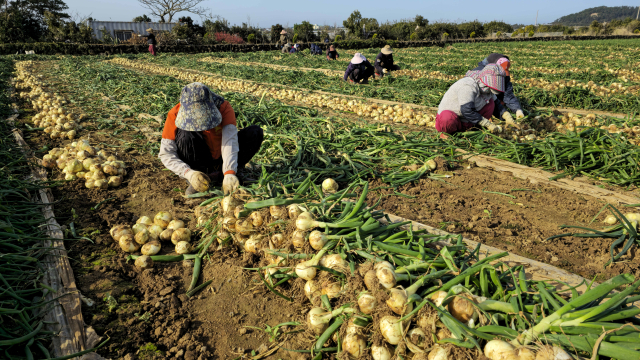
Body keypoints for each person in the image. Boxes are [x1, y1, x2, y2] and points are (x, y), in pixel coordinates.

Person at [158, 83, 264, 195]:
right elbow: (166, 153)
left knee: (254, 132)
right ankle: (200, 177)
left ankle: (230, 173)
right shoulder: (175, 114)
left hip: (221, 157)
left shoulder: (224, 108)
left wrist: (230, 172)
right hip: (200, 159)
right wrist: (189, 173)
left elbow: (230, 141)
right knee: (185, 134)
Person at [435, 64, 506, 137]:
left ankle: (475, 130)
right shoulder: (468, 86)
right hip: (454, 120)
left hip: (468, 121)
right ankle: (447, 134)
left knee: (490, 104)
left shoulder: (486, 89)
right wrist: (486, 123)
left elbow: (496, 104)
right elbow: (467, 110)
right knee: (447, 118)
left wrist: (506, 116)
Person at [472, 53, 524, 128]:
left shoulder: (504, 75)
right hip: (481, 101)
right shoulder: (479, 74)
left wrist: (518, 110)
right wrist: (484, 115)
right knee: (490, 103)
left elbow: (508, 94)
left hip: (494, 98)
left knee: (499, 102)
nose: (504, 75)